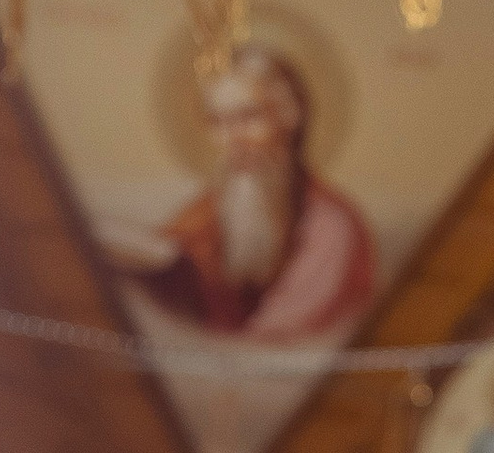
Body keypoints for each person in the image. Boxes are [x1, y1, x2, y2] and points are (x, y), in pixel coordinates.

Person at [140, 43, 379, 341]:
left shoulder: (331, 226)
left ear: (290, 118)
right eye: (218, 122)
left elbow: (274, 338)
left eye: (249, 117)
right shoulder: (209, 210)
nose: (232, 139)